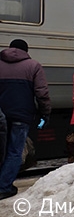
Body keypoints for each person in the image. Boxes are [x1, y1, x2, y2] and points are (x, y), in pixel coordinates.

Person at [0, 39, 50, 200]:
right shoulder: (33, 66)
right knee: (15, 151)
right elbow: (42, 93)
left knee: (1, 149)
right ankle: (3, 187)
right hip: (21, 116)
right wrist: (45, 114)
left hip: (1, 114)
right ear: (26, 51)